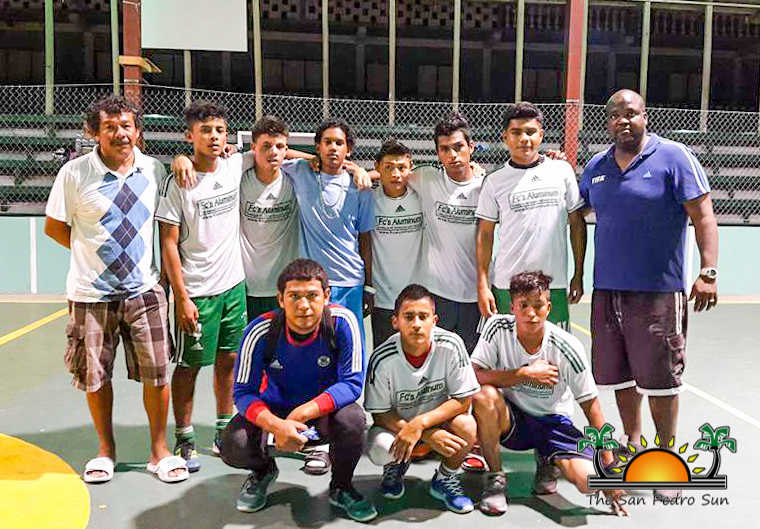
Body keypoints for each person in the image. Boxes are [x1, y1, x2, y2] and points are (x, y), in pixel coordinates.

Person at [578, 89, 719, 496]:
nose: (623, 120)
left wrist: (708, 271)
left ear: (645, 116)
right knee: (618, 375)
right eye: (615, 115)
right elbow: (575, 208)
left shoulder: (674, 157)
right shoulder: (597, 166)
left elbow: (704, 217)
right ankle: (633, 442)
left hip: (658, 292)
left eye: (631, 113)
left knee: (661, 380)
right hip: (608, 291)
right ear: (607, 122)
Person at [44, 94, 188, 484]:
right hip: (90, 296)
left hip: (145, 292)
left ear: (137, 131)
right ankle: (105, 451)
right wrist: (91, 254)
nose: (120, 133)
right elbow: (54, 227)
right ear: (95, 132)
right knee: (95, 376)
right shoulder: (74, 174)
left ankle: (159, 451)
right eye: (110, 127)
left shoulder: (154, 169)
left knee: (157, 373)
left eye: (126, 125)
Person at [221, 259, 377, 522]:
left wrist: (303, 413)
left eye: (312, 296)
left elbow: (352, 383)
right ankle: (262, 471)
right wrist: (277, 425)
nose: (304, 305)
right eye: (294, 296)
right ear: (280, 299)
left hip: (322, 414)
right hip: (276, 413)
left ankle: (341, 486)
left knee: (353, 420)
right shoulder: (260, 331)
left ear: (326, 296)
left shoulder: (342, 322)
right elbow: (243, 392)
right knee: (233, 443)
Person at [471, 271, 627, 516]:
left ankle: (548, 459)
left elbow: (593, 409)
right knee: (483, 396)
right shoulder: (497, 328)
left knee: (588, 482)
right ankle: (495, 479)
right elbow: (472, 377)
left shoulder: (567, 347)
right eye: (523, 305)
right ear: (512, 307)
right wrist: (524, 374)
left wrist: (608, 470)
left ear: (549, 307)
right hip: (512, 420)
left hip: (553, 423)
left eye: (538, 305)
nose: (531, 313)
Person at [156, 100, 247, 472]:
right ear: (189, 135)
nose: (214, 137)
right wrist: (181, 298)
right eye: (205, 130)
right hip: (197, 291)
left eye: (220, 130)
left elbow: (275, 148)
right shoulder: (177, 181)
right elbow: (168, 242)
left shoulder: (233, 166)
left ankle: (223, 430)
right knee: (190, 366)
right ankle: (184, 436)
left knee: (229, 360)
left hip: (233, 286)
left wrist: (345, 164)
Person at [365, 284, 480, 514]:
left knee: (467, 426)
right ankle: (396, 466)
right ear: (395, 322)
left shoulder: (452, 345)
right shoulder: (382, 358)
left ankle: (445, 479)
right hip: (398, 426)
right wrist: (422, 432)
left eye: (423, 316)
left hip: (438, 423)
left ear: (434, 321)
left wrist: (422, 424)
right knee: (379, 448)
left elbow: (463, 400)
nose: (416, 324)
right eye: (409, 317)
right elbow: (380, 414)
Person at [476, 102, 586, 331]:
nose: (524, 139)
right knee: (507, 349)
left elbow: (577, 223)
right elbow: (485, 234)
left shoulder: (562, 171)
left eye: (530, 132)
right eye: (516, 132)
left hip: (553, 284)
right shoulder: (494, 181)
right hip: (507, 285)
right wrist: (483, 285)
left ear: (541, 135)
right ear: (505, 137)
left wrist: (578, 274)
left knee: (553, 351)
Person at [282, 120, 375, 355]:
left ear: (348, 149)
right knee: (316, 351)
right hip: (314, 283)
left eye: (339, 143)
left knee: (351, 349)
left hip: (350, 282)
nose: (333, 148)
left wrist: (369, 285)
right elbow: (280, 150)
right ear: (318, 146)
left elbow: (365, 239)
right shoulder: (302, 172)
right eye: (327, 142)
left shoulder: (360, 187)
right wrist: (310, 158)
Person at [407, 112, 484, 353]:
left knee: (471, 363)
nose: (453, 155)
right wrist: (359, 172)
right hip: (438, 295)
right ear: (438, 153)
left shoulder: (486, 187)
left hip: (476, 296)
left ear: (471, 147)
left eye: (458, 147)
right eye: (445, 149)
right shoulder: (427, 178)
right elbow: (390, 174)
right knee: (437, 361)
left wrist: (551, 160)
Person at [238, 115, 299, 321]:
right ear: (253, 148)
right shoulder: (238, 178)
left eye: (279, 146)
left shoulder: (295, 180)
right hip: (245, 286)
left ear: (286, 150)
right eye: (266, 146)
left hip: (284, 286)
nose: (273, 152)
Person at [370, 138, 424, 348]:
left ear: (410, 167)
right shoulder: (369, 200)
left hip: (417, 296)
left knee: (418, 354)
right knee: (384, 355)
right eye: (389, 167)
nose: (395, 174)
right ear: (377, 167)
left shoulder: (422, 196)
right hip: (383, 298)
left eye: (401, 167)